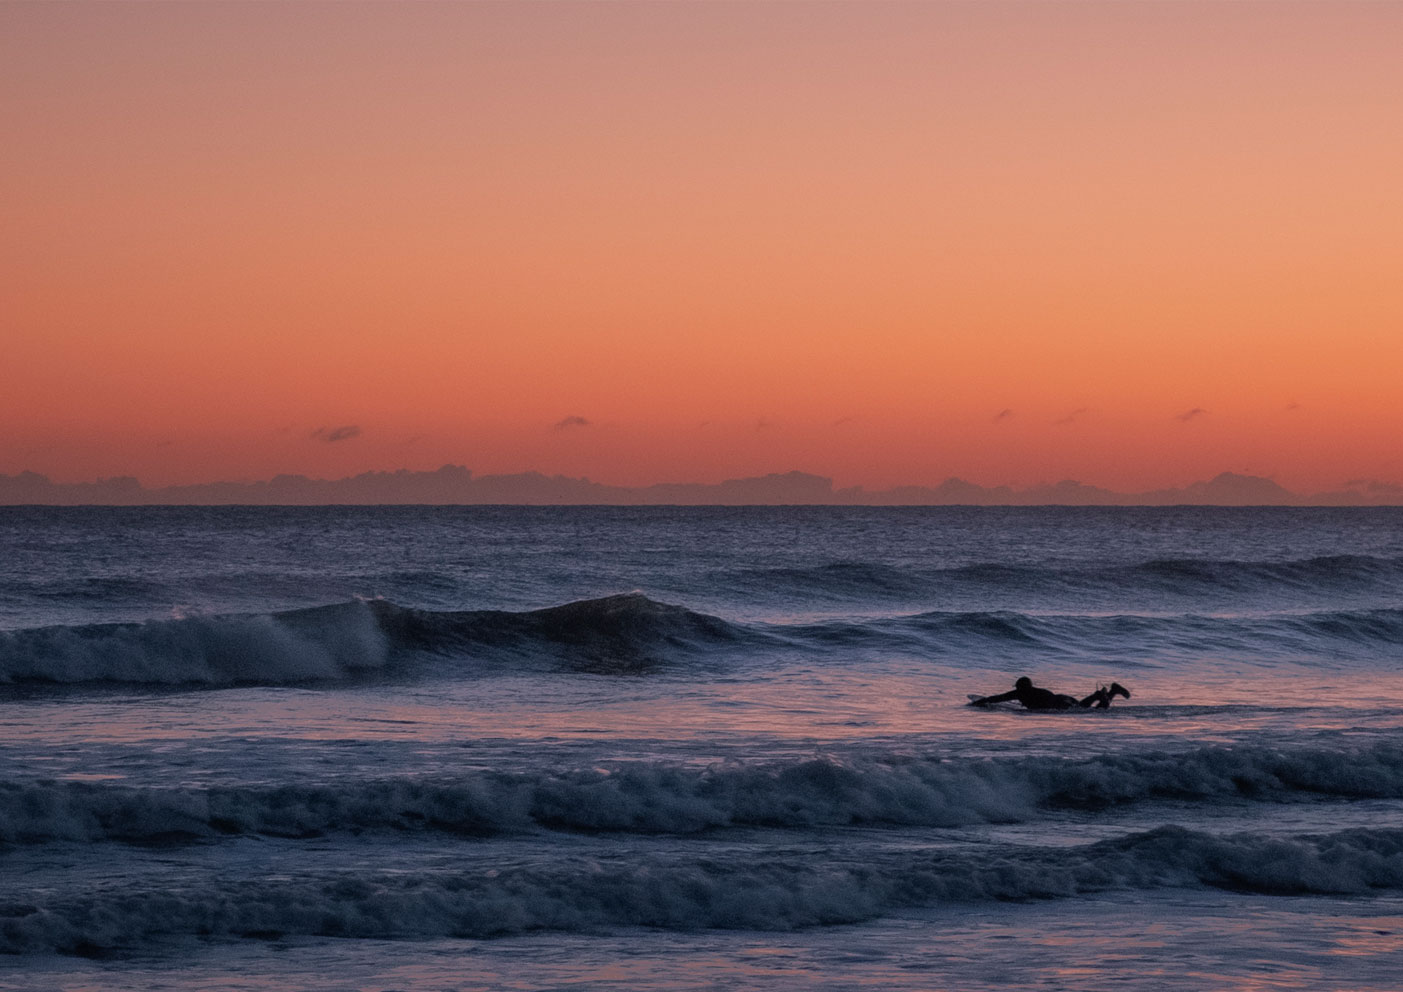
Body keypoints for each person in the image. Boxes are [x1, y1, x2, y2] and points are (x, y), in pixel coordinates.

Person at [969, 676, 1130, 710]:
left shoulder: (1021, 693)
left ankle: (1103, 695)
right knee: (1083, 707)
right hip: (1062, 698)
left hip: (1059, 703)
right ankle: (1110, 692)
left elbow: (997, 698)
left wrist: (978, 703)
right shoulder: (1032, 691)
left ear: (1020, 687)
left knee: (1096, 711)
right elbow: (997, 698)